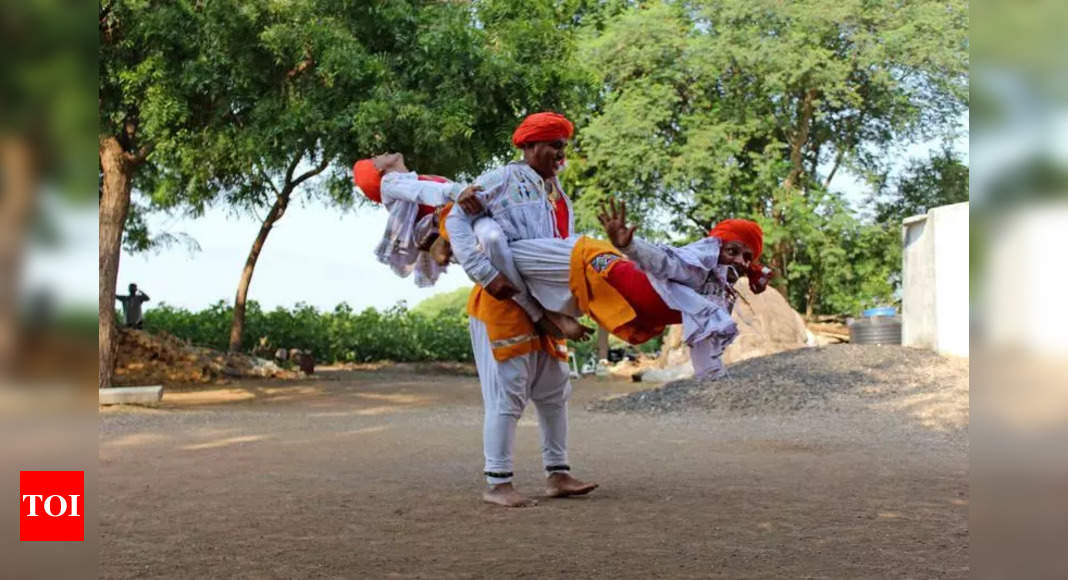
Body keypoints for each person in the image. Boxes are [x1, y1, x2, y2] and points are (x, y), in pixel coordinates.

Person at [445, 112, 598, 507]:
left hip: (544, 307)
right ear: (529, 146)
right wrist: (483, 273)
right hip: (502, 302)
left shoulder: (557, 192)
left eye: (563, 146)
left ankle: (558, 474)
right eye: (553, 145)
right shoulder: (502, 178)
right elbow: (456, 219)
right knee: (507, 397)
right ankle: (498, 484)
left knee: (553, 392)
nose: (560, 154)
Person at [504, 199, 771, 380]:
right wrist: (629, 246)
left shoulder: (718, 301)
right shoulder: (695, 268)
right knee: (502, 252)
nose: (739, 260)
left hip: (598, 297)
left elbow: (706, 350)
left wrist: (718, 386)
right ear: (714, 248)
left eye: (747, 258)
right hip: (588, 262)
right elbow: (664, 262)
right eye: (732, 251)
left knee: (517, 274)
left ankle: (548, 313)